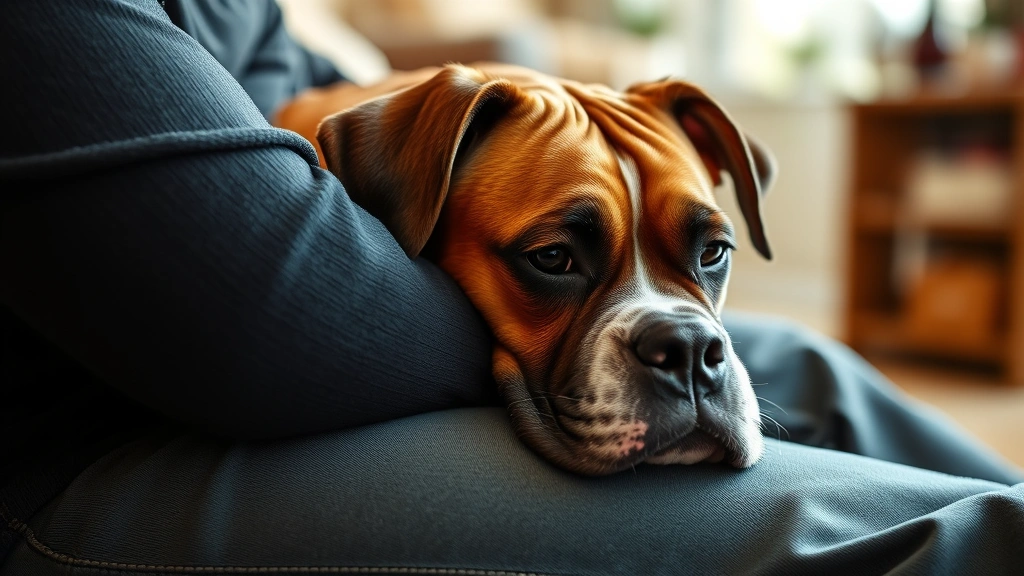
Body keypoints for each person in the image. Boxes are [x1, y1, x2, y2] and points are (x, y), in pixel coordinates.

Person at [2, 1, 1021, 574]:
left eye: (705, 250)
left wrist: (605, 303)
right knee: (942, 545)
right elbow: (275, 321)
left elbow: (304, 89)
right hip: (102, 452)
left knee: (801, 364)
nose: (682, 334)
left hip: (281, 380)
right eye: (552, 258)